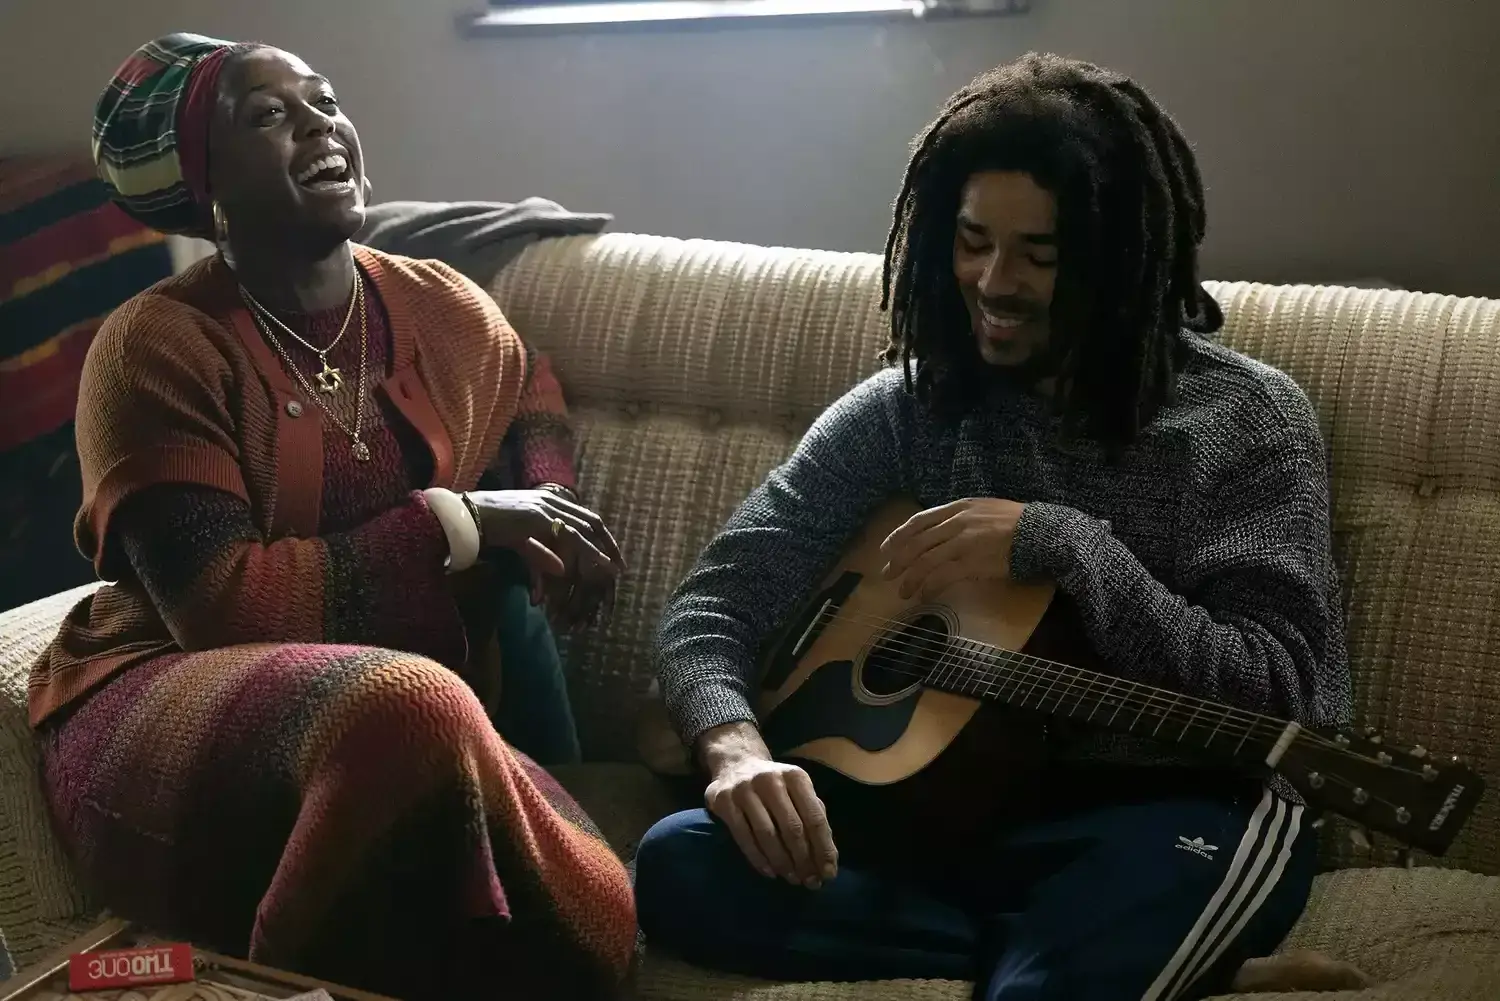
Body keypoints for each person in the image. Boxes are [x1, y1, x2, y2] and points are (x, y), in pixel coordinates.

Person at [635, 53, 1354, 1001]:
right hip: (946, 816)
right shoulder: (908, 410)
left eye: (1039, 256)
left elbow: (1290, 692)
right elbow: (715, 605)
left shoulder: (1245, 423)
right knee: (675, 863)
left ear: (1119, 260)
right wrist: (734, 749)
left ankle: (1071, 960)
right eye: (972, 241)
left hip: (1168, 807)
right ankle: (1131, 963)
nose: (993, 281)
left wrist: (1073, 547)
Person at [30, 33, 635, 1000]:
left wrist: (547, 511)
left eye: (324, 100)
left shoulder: (436, 303)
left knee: (589, 914)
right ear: (206, 185)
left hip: (387, 744)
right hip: (175, 707)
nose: (319, 124)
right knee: (410, 703)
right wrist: (459, 521)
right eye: (269, 115)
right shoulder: (153, 349)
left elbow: (527, 383)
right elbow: (225, 608)